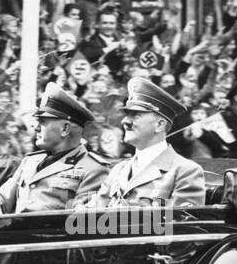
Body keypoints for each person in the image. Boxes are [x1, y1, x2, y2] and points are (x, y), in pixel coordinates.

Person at [0, 84, 109, 215]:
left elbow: (78, 222)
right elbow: (0, 200)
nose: (36, 128)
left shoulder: (93, 169)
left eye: (43, 122)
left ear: (65, 129)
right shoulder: (31, 161)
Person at [77, 77, 205, 208]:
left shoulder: (185, 172)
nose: (125, 122)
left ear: (160, 124)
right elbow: (93, 213)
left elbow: (182, 226)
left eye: (136, 115)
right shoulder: (119, 170)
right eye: (127, 115)